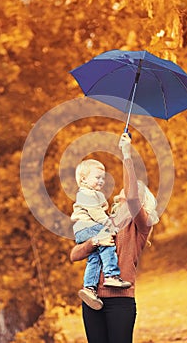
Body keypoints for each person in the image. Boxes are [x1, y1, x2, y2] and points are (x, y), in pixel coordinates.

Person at [70, 133, 159, 343]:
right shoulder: (103, 220)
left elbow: (132, 197)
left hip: (120, 302)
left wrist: (126, 153)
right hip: (92, 300)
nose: (126, 191)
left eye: (135, 191)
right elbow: (74, 254)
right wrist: (94, 242)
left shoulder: (141, 225)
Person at [71, 158, 132, 310]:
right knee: (107, 241)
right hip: (88, 227)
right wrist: (110, 226)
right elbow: (97, 214)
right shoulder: (86, 194)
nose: (101, 181)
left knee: (94, 257)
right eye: (97, 177)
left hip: (84, 229)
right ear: (84, 179)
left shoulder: (91, 193)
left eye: (103, 178)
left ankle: (89, 288)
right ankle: (111, 275)